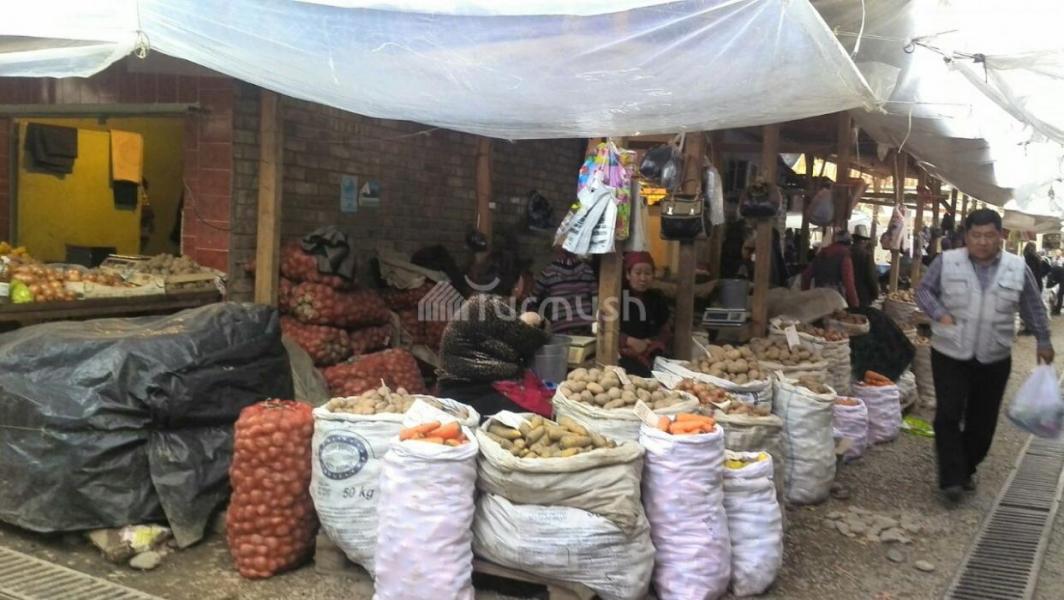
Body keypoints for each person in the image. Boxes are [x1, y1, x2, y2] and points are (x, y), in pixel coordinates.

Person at [916, 209, 1054, 503]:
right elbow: (924, 291)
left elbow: (1032, 305)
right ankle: (951, 479)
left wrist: (1043, 340)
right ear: (966, 236)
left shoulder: (1017, 268)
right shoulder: (947, 262)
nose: (982, 242)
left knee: (983, 422)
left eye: (989, 235)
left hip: (995, 355)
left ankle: (966, 468)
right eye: (976, 235)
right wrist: (940, 314)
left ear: (1000, 236)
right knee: (948, 414)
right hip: (950, 352)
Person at [619, 251, 672, 377]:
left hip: (651, 353)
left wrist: (654, 344)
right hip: (624, 354)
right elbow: (604, 329)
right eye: (638, 273)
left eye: (647, 273)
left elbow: (665, 330)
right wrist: (628, 341)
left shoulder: (657, 298)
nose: (643, 278)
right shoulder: (617, 297)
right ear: (628, 274)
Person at [530, 248, 596, 334]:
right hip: (585, 325)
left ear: (558, 251)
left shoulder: (549, 271)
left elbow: (533, 298)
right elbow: (596, 297)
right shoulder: (587, 270)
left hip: (561, 327)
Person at [801, 230, 860, 307]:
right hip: (836, 300)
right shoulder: (844, 255)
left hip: (818, 297)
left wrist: (806, 296)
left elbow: (806, 275)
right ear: (849, 242)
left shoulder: (821, 254)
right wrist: (855, 304)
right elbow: (848, 282)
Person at [850, 224, 880, 308]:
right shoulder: (866, 254)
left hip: (847, 292)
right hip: (863, 294)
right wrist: (875, 293)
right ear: (864, 241)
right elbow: (871, 276)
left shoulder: (847, 251)